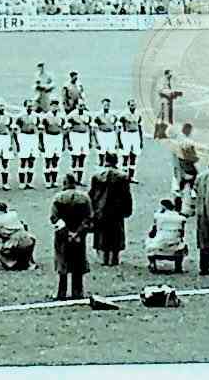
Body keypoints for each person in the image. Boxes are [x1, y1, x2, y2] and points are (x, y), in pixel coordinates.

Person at [50, 172, 93, 300]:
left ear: (64, 184)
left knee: (62, 262)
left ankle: (61, 292)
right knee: (78, 262)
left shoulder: (58, 198)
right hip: (79, 236)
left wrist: (67, 232)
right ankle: (78, 291)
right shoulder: (84, 198)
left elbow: (54, 218)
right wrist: (78, 232)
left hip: (62, 236)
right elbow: (89, 217)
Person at [88, 151, 134, 266]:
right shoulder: (123, 176)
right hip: (117, 209)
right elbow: (126, 195)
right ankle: (115, 258)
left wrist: (91, 210)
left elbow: (92, 194)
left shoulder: (97, 176)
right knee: (116, 234)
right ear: (116, 162)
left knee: (102, 233)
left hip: (100, 209)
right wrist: (128, 209)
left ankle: (104, 258)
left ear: (105, 161)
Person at [0, 202, 37, 270]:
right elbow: (25, 226)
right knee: (29, 239)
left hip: (14, 244)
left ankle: (10, 263)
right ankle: (30, 263)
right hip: (28, 240)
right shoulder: (14, 214)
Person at [145, 198, 189, 273]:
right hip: (175, 246)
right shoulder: (180, 218)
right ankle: (178, 266)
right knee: (181, 243)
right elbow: (182, 234)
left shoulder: (158, 216)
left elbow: (152, 234)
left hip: (159, 245)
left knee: (149, 242)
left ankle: (152, 263)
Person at [13, 99, 40, 190]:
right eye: (28, 106)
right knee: (23, 161)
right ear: (25, 106)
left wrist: (38, 142)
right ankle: (22, 182)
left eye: (31, 106)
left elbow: (38, 129)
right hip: (24, 137)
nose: (30, 108)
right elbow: (15, 131)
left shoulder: (36, 116)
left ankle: (29, 182)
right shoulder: (20, 116)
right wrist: (17, 143)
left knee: (32, 160)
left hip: (33, 138)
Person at [65, 101, 92, 185]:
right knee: (74, 157)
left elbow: (90, 128)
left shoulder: (87, 115)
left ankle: (79, 180)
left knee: (82, 157)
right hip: (75, 136)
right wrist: (69, 142)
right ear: (76, 106)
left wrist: (90, 140)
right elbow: (67, 129)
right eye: (80, 105)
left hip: (84, 136)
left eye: (83, 105)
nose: (81, 107)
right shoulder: (71, 115)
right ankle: (73, 179)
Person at [40, 99, 66, 188]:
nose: (55, 107)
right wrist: (41, 143)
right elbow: (41, 131)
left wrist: (63, 142)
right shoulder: (45, 117)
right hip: (48, 138)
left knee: (56, 159)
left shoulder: (61, 117)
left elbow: (63, 130)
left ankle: (54, 181)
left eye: (56, 105)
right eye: (53, 105)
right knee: (48, 159)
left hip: (58, 138)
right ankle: (47, 181)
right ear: (50, 106)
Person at [118, 99, 144, 181]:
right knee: (125, 156)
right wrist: (120, 141)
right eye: (131, 105)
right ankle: (123, 177)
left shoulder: (138, 114)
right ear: (128, 105)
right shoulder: (123, 115)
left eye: (134, 105)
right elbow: (119, 128)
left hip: (135, 135)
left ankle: (131, 177)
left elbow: (139, 127)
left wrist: (141, 140)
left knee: (134, 156)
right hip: (126, 135)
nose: (133, 106)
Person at [155, 69, 182, 139]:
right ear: (167, 74)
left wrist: (174, 93)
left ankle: (162, 132)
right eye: (170, 74)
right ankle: (161, 133)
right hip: (164, 100)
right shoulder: (162, 81)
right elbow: (161, 91)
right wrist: (172, 93)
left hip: (168, 101)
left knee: (165, 117)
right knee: (165, 117)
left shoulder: (167, 81)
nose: (171, 76)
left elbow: (168, 91)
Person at [94, 98, 119, 167]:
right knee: (101, 152)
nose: (106, 106)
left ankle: (112, 167)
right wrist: (96, 142)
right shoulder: (98, 115)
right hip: (102, 134)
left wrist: (117, 140)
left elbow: (116, 128)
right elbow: (95, 128)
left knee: (112, 152)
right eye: (105, 105)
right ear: (102, 105)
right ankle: (101, 166)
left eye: (108, 105)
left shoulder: (113, 115)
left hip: (111, 134)